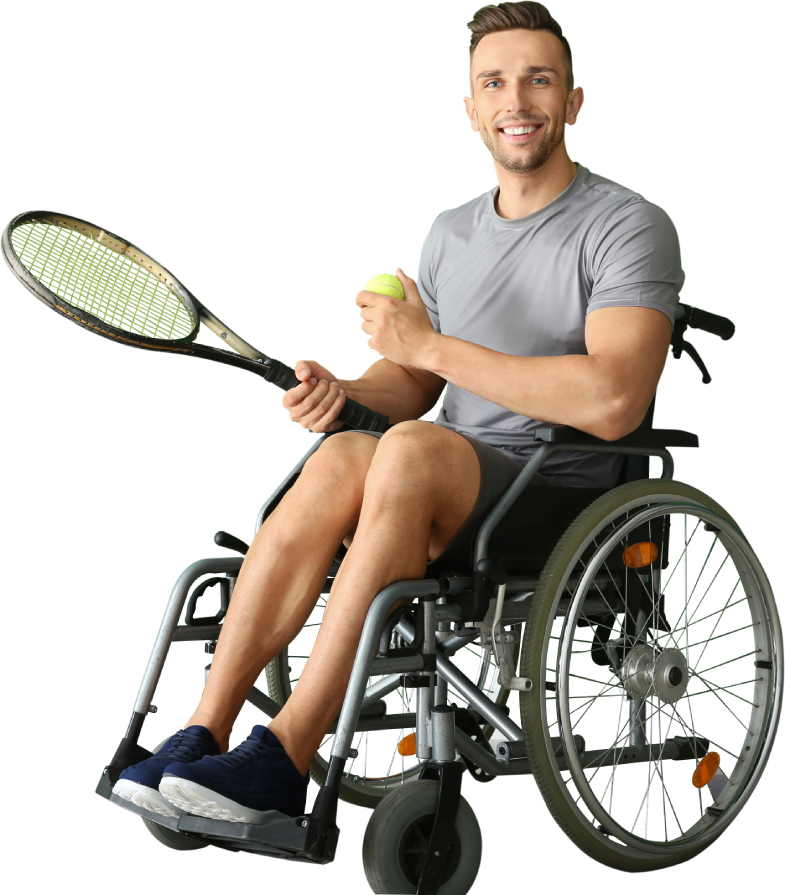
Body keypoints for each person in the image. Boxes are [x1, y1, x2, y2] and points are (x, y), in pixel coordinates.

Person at [113, 1, 682, 824]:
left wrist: (429, 349)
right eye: (494, 82)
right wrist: (345, 392)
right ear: (470, 112)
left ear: (573, 101)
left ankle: (287, 752)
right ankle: (203, 734)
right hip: (442, 475)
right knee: (345, 452)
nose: (515, 100)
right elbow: (407, 385)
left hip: (566, 493)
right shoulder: (449, 233)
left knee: (411, 447)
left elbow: (612, 399)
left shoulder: (629, 224)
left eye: (537, 80)